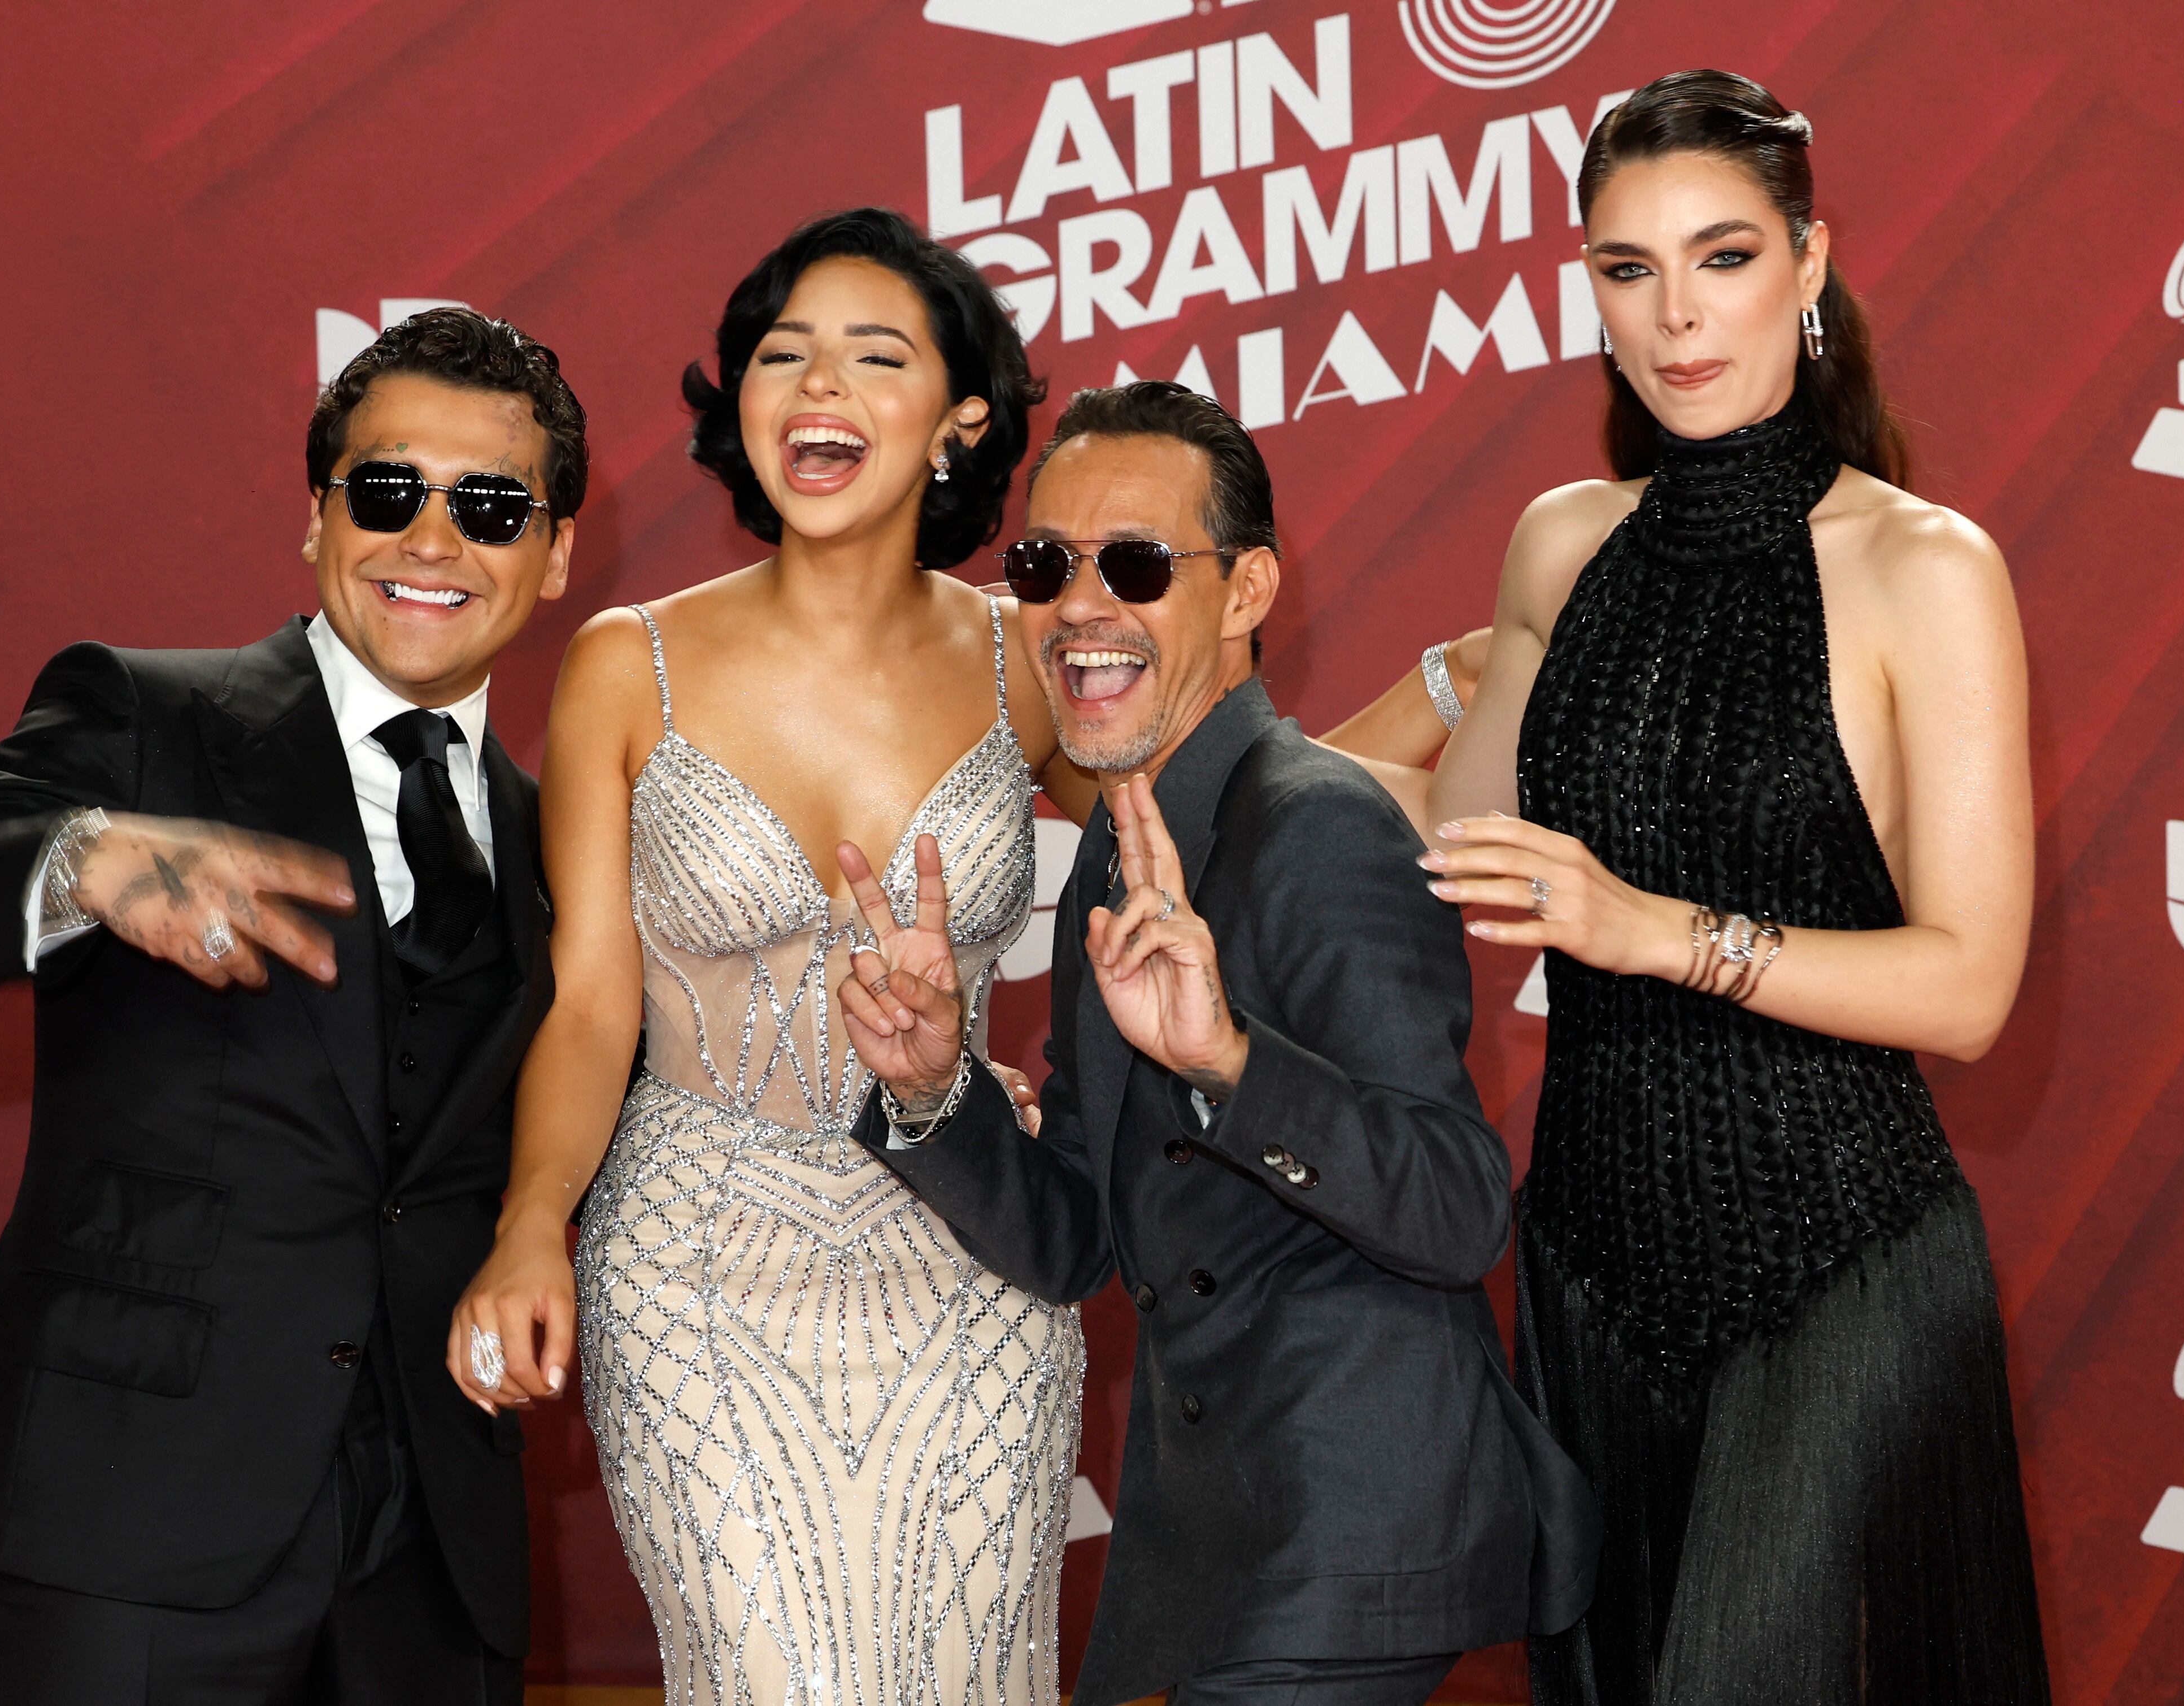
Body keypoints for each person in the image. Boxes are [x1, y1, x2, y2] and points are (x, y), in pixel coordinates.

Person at [0, 307, 583, 1704]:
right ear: (316, 516)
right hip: (133, 1501)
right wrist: (82, 861)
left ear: (556, 551)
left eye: (488, 506)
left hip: (438, 1533)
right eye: (387, 490)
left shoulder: (563, 838)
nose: (432, 540)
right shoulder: (144, 715)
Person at [1410, 71, 2051, 1703]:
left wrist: (1651, 932)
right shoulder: (1561, 544)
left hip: (1839, 1261)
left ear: (1808, 260)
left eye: (1724, 256)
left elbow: (1970, 986)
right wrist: (1199, 749)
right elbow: (1452, 834)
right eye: (1628, 269)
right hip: (1588, 1271)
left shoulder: (1925, 568)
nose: (1677, 315)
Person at [833, 380, 1600, 1706]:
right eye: (1045, 565)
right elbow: (1076, 1236)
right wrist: (931, 1090)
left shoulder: (1321, 825)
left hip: (1353, 1530)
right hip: (1234, 1541)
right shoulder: (1121, 854)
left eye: (1135, 564)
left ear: (1247, 590)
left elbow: (1460, 1203)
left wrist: (1231, 1064)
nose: (1080, 606)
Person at [445, 207, 1092, 1705]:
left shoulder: (1028, 657)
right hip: (698, 1267)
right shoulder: (631, 662)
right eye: (783, 355)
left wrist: (1455, 685)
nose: (820, 387)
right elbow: (590, 1005)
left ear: (963, 418)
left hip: (969, 1264)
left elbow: (1206, 840)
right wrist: (534, 1220)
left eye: (876, 357)